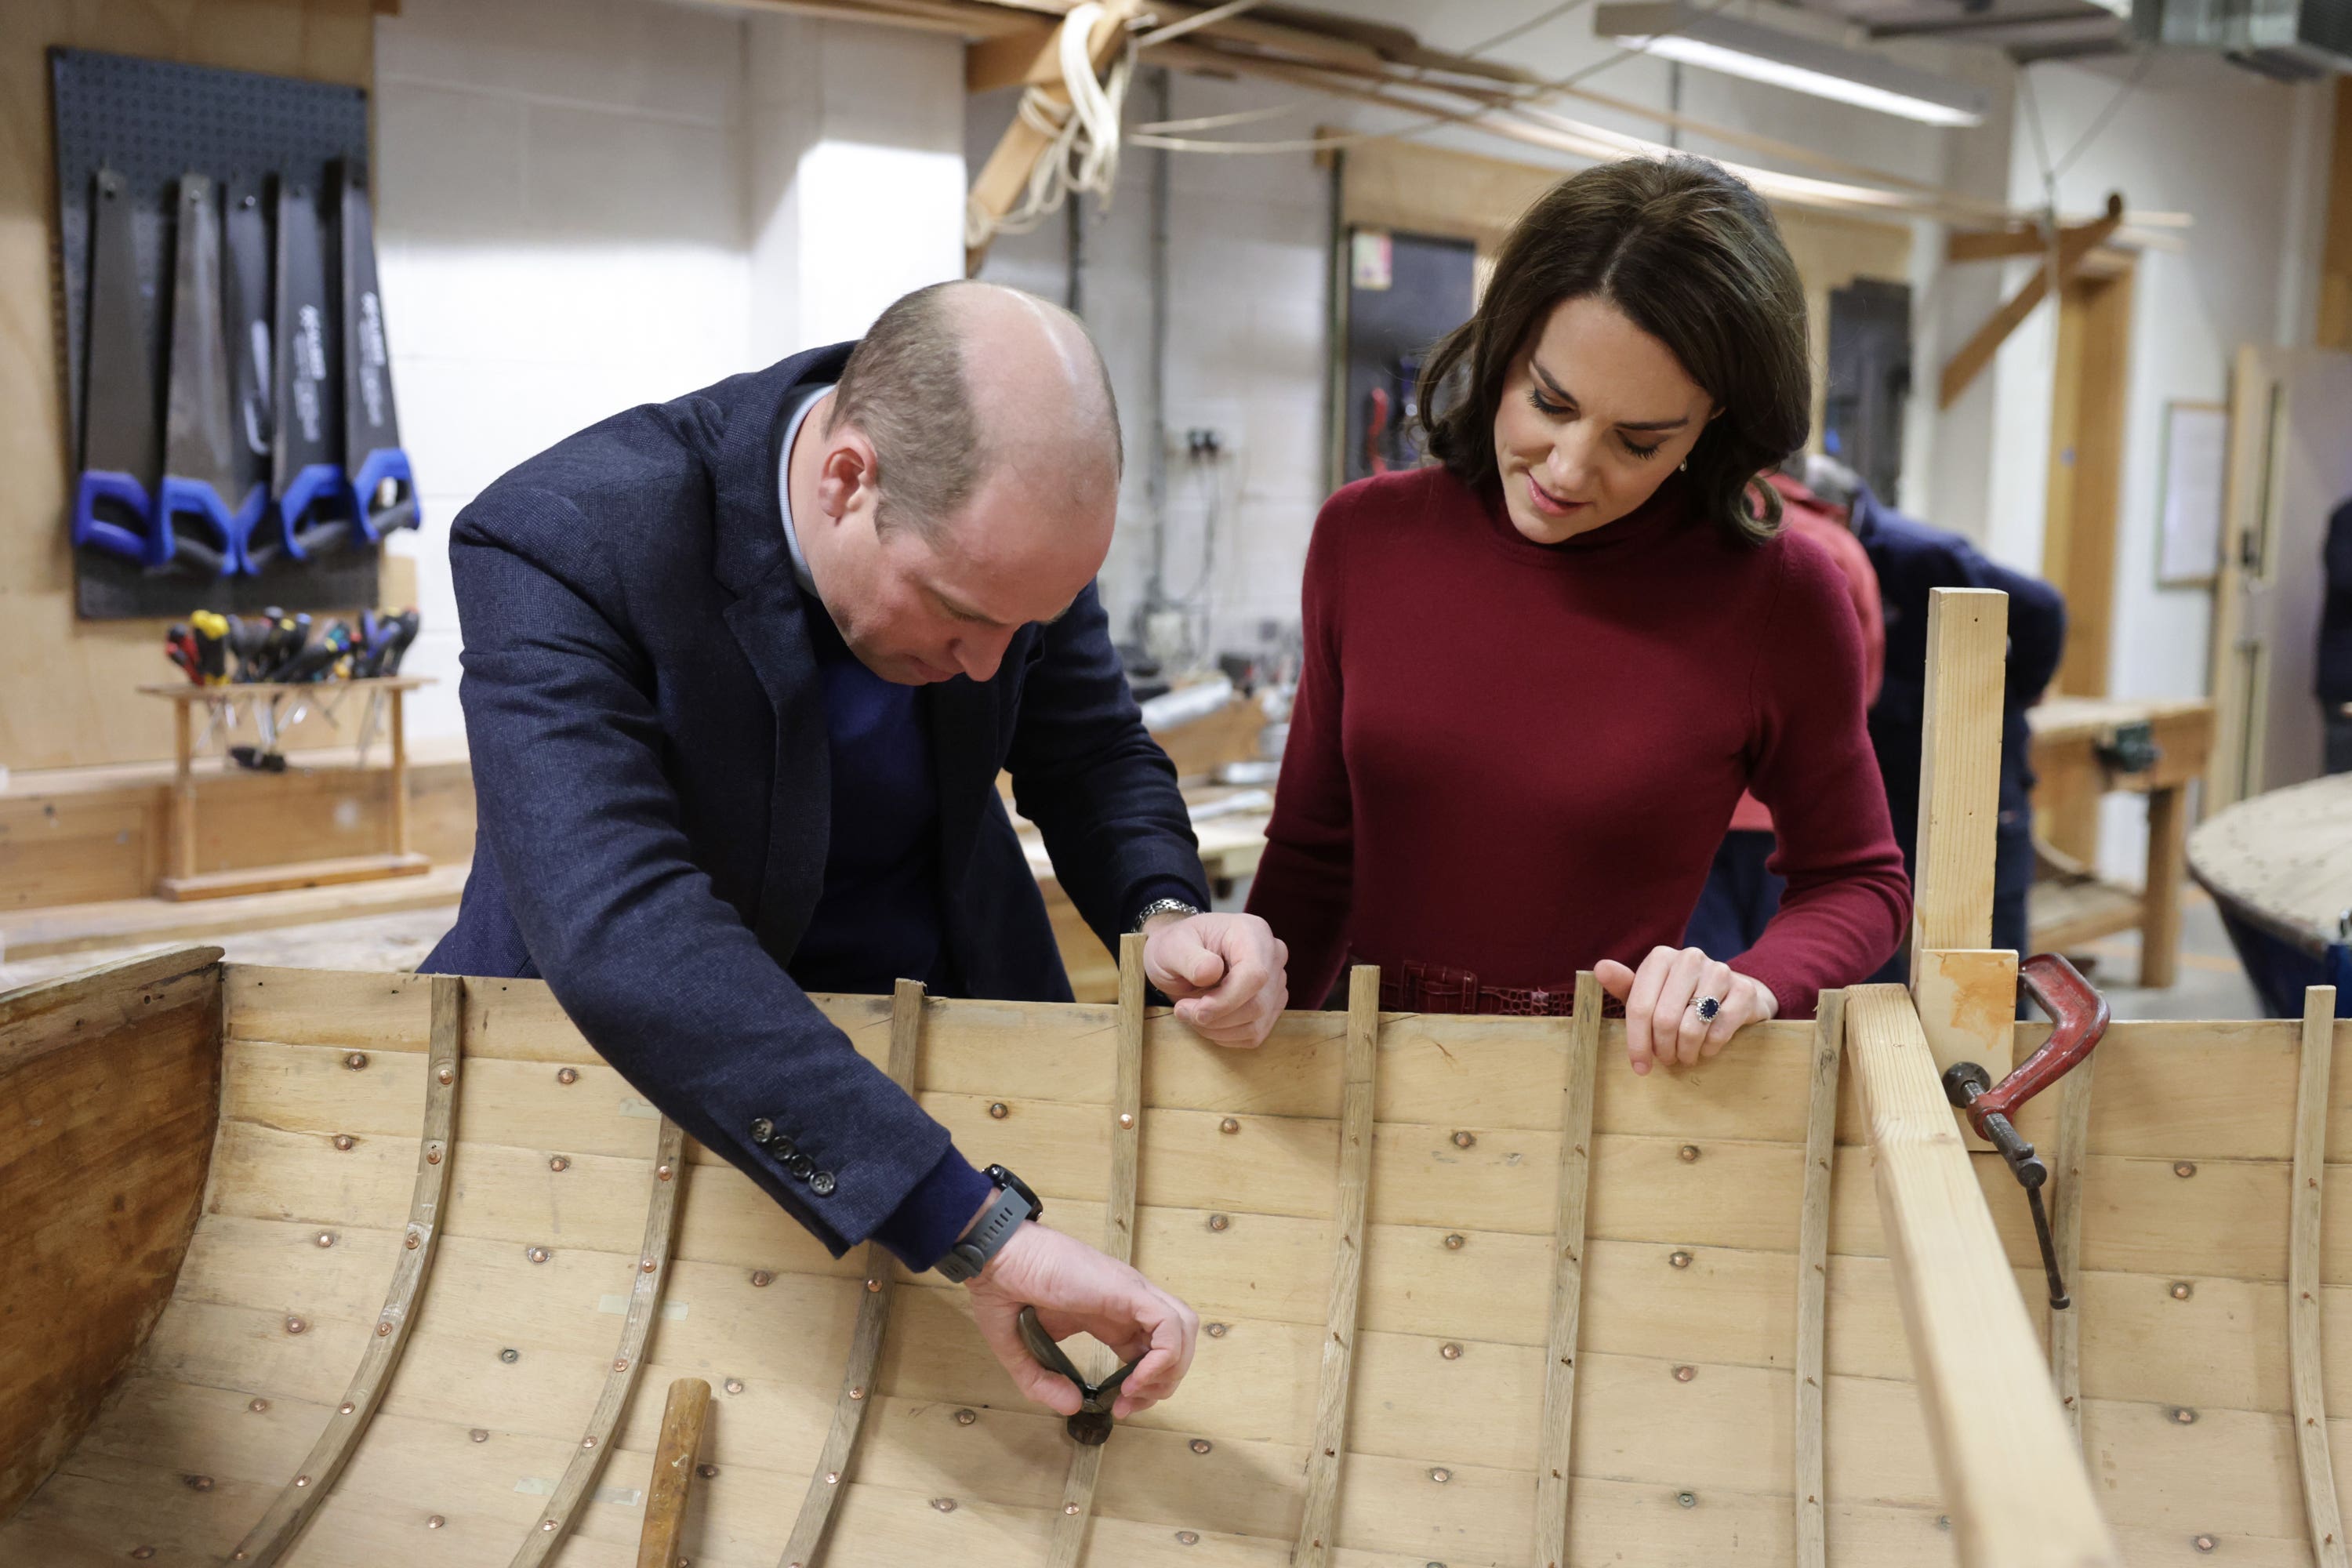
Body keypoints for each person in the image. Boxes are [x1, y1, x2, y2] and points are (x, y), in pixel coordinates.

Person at [421, 281, 1290, 1421]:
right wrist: (968, 1226)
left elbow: (1086, 749)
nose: (990, 666)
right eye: (960, 616)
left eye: (1024, 627)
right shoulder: (562, 539)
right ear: (847, 481)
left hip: (951, 1022)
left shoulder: (1005, 537)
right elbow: (628, 934)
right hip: (646, 1069)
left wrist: (1165, 910)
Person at [1245, 156, 1910, 1076]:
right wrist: (1242, 997)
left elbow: (1859, 880)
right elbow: (1315, 859)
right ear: (1505, 342)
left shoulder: (1779, 594)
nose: (1566, 468)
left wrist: (1751, 983)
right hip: (1364, 1095)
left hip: (1612, 1112)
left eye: (1638, 441)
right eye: (1548, 402)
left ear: (1713, 423)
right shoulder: (1367, 537)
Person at [1841, 465, 2065, 973]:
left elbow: (2043, 607)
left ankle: (2008, 1048)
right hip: (1894, 759)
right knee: (1880, 915)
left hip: (1971, 754)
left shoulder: (1918, 553)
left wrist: (2013, 694)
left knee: (1988, 930)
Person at [1684, 468, 1886, 958]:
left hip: (1689, 805)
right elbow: (1863, 687)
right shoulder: (1837, 549)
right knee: (1774, 980)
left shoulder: (1686, 531)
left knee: (1697, 980)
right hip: (1794, 811)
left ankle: (1709, 1018)